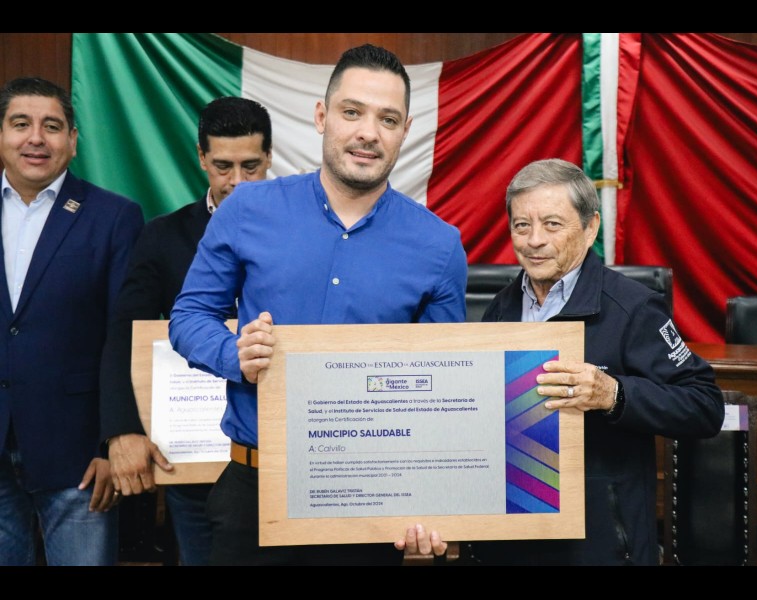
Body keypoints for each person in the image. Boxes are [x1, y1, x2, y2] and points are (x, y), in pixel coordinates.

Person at [169, 44, 466, 565]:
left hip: (375, 500)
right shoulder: (247, 209)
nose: (368, 132)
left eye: (387, 119)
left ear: (406, 130)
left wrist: (436, 504)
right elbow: (189, 316)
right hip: (255, 490)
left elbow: (444, 386)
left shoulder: (439, 246)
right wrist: (233, 353)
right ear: (322, 116)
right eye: (352, 112)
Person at [457, 158, 724, 565]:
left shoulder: (635, 308)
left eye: (552, 224)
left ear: (590, 227)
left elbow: (705, 406)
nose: (534, 240)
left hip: (600, 541)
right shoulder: (500, 308)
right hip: (512, 533)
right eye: (521, 225)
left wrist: (614, 394)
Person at [99, 97, 273, 566]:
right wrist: (122, 430)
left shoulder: (302, 231)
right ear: (201, 158)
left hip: (279, 455)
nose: (237, 182)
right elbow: (124, 334)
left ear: (269, 157)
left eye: (251, 166)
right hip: (193, 461)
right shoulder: (163, 236)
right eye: (222, 166)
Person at [0, 77, 144, 566]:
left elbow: (124, 336)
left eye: (52, 126)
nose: (36, 138)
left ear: (74, 139)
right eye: (21, 124)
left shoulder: (114, 216)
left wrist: (112, 442)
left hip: (79, 457)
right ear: (2, 134)